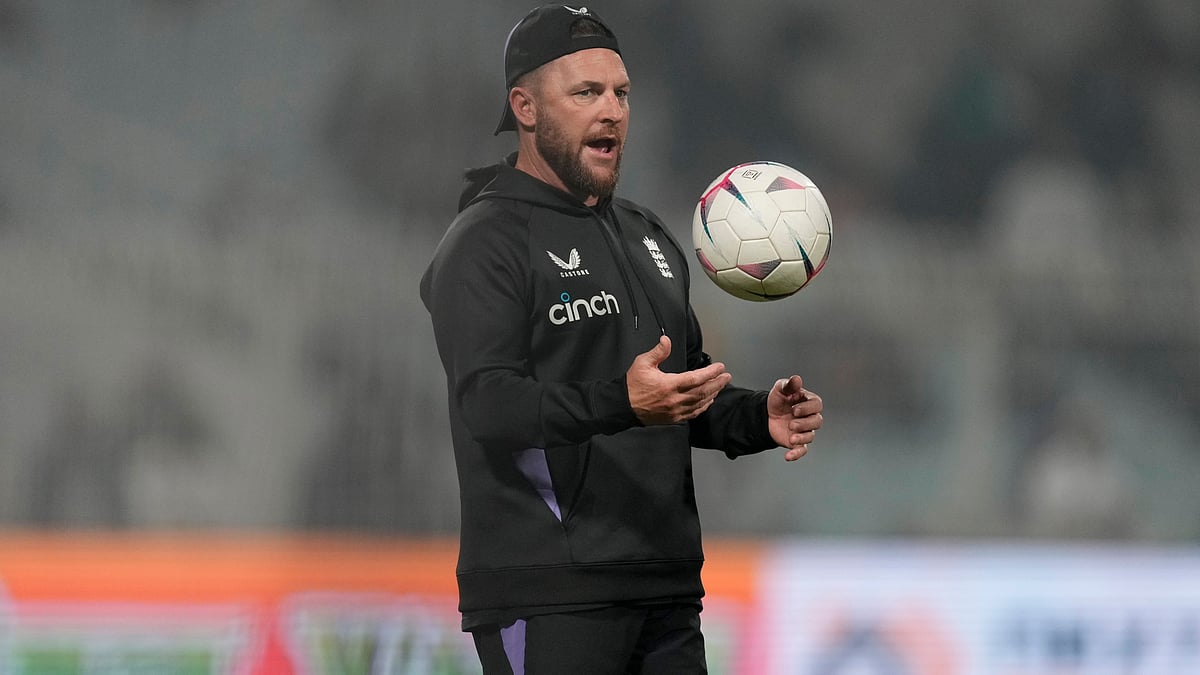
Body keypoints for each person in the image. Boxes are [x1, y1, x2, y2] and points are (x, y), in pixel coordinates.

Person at [419, 5, 823, 673]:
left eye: (621, 93)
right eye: (585, 92)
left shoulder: (648, 235)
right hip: (552, 590)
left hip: (665, 590)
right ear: (525, 106)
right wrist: (622, 401)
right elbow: (487, 407)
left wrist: (757, 416)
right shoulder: (485, 242)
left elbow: (679, 391)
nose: (611, 110)